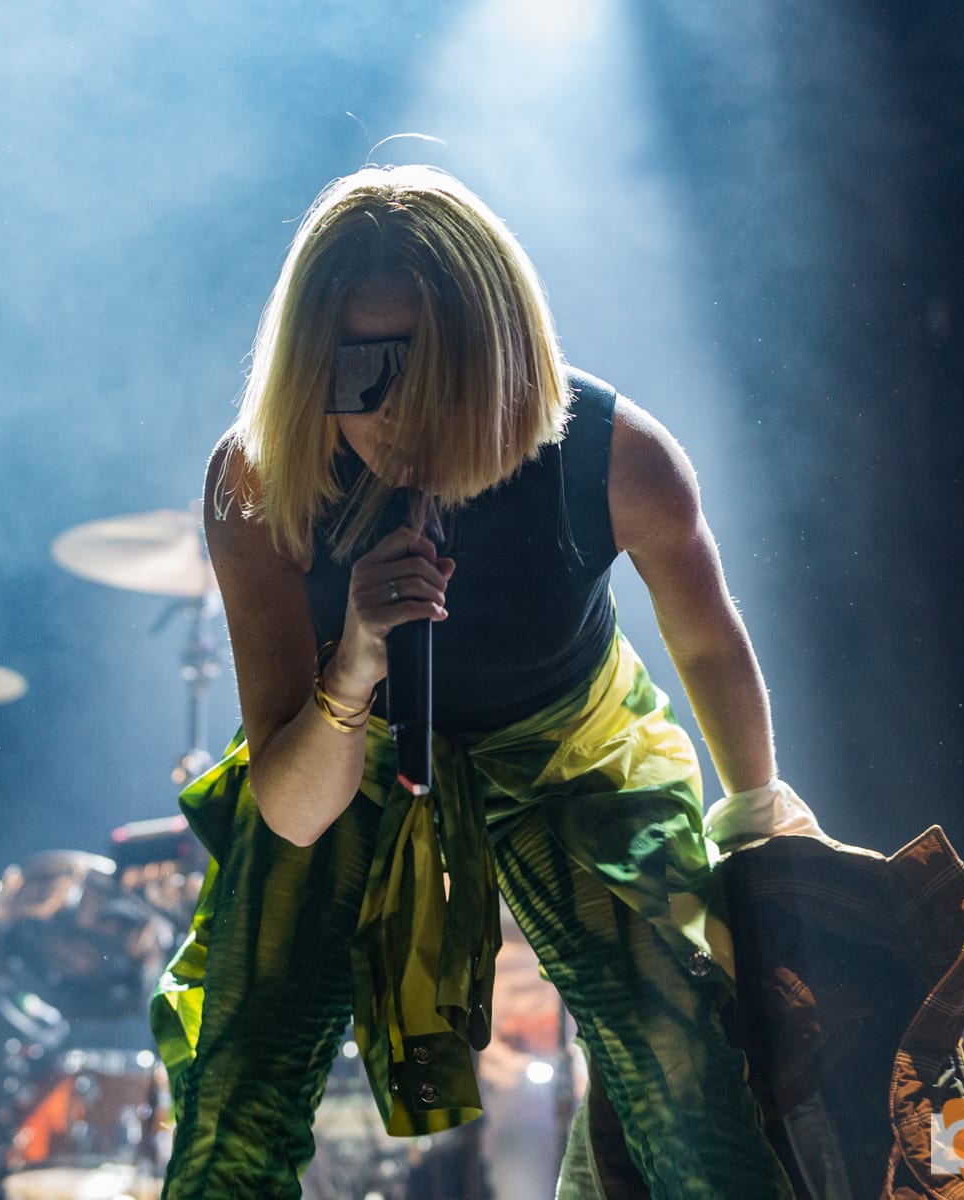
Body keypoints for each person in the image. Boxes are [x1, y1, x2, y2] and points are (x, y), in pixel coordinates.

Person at [149, 163, 811, 1199]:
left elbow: (711, 642)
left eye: (424, 373)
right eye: (356, 372)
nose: (393, 415)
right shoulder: (258, 481)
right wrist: (357, 660)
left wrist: (759, 817)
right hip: (344, 760)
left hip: (570, 754)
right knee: (239, 1081)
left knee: (694, 1082)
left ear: (494, 358)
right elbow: (287, 806)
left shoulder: (615, 457)